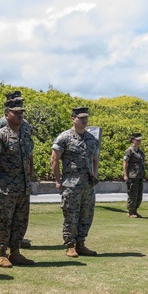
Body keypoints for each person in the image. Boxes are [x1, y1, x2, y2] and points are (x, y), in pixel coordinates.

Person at [0, 99, 35, 268]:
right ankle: (1, 253)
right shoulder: (0, 135)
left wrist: (30, 179)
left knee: (21, 221)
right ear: (7, 115)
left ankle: (15, 252)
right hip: (6, 187)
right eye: (16, 112)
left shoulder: (26, 135)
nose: (20, 115)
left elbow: (30, 159)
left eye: (21, 112)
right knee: (4, 221)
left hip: (23, 187)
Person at [51, 106, 100, 257]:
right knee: (70, 215)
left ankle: (81, 244)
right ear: (73, 119)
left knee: (86, 215)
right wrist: (58, 181)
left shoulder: (92, 139)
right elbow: (54, 159)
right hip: (71, 185)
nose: (84, 120)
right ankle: (70, 245)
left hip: (87, 185)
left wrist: (94, 176)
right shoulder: (64, 137)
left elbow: (95, 160)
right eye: (81, 118)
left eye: (86, 118)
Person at [123, 133, 145, 217]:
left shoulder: (140, 151)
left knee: (139, 195)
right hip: (132, 175)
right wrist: (125, 175)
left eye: (140, 140)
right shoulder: (129, 150)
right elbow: (125, 162)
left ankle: (135, 211)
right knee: (132, 194)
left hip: (139, 175)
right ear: (133, 140)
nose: (139, 141)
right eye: (137, 140)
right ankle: (131, 212)